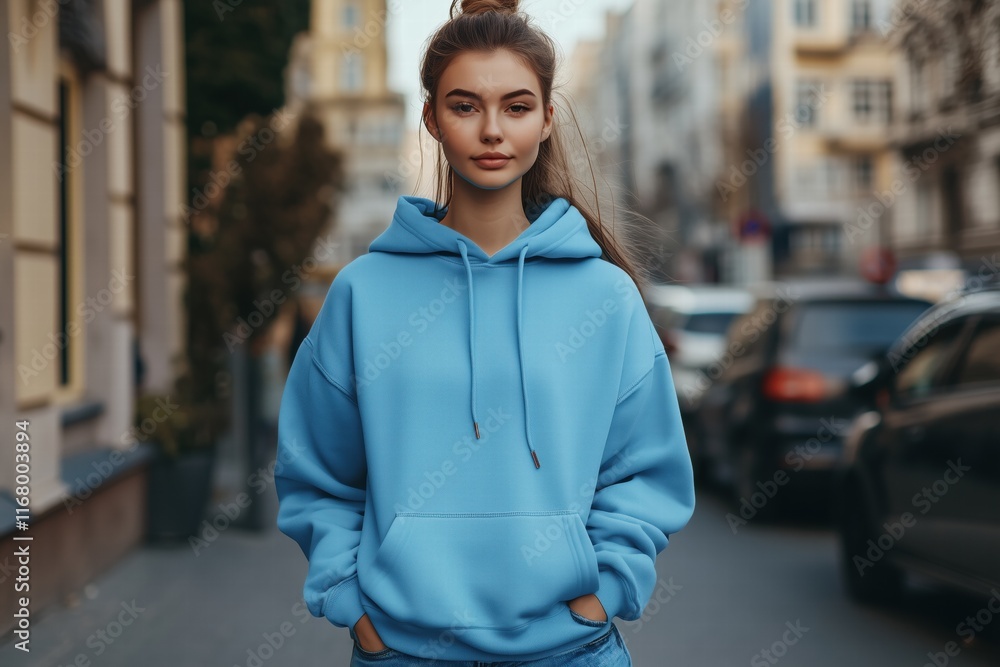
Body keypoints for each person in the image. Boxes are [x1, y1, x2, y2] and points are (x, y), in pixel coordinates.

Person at [273, 0, 696, 664]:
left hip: (569, 649)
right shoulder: (363, 291)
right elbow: (317, 473)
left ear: (548, 118)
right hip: (404, 650)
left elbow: (645, 470)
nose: (492, 130)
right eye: (465, 105)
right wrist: (348, 598)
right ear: (432, 118)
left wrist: (607, 585)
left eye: (517, 106)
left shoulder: (605, 297)